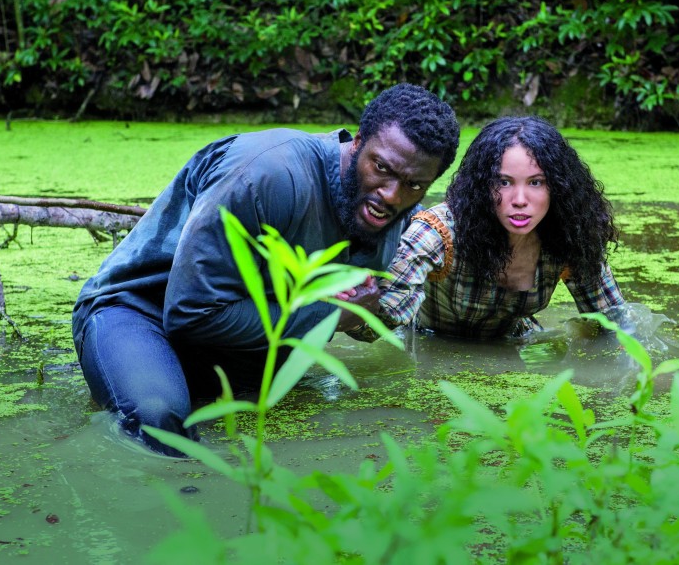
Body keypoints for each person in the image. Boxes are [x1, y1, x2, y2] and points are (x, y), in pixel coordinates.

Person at [72, 83, 460, 454]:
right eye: (382, 168)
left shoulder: (397, 211)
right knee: (161, 424)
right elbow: (189, 312)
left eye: (412, 185)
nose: (391, 195)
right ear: (357, 141)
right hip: (140, 312)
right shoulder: (267, 175)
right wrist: (331, 315)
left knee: (306, 433)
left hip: (239, 339)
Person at [349, 115, 629, 342]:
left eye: (536, 182)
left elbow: (617, 327)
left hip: (519, 349)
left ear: (558, 187)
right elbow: (377, 324)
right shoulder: (439, 232)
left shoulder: (569, 236)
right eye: (504, 182)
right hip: (429, 347)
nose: (519, 201)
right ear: (482, 186)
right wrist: (354, 304)